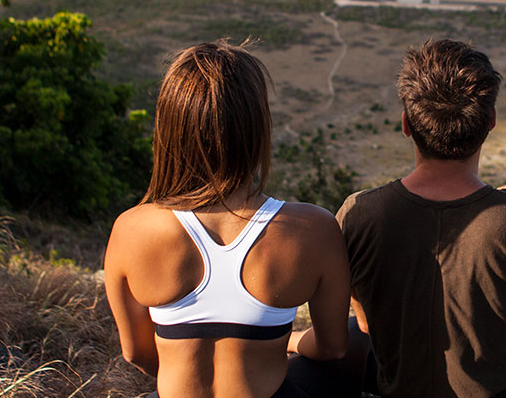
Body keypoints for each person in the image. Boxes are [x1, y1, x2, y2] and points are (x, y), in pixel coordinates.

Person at [337, 39, 506, 398]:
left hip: (400, 384)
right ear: (491, 121)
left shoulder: (359, 213)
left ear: (406, 123)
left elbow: (362, 318)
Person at [105, 42, 364, 398]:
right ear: (256, 129)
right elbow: (333, 348)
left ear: (169, 129)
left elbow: (137, 353)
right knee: (362, 343)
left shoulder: (132, 230)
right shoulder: (311, 229)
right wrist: (290, 341)